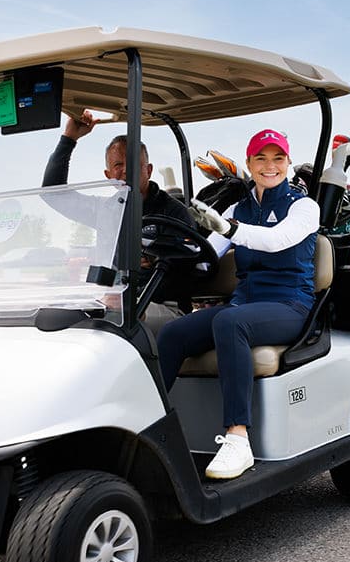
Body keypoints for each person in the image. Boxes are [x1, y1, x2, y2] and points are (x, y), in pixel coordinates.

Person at [157, 129, 318, 480]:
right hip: (246, 304)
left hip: (290, 305)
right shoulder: (239, 207)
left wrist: (229, 229)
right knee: (172, 333)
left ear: (288, 163)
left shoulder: (303, 207)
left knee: (230, 323)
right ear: (249, 163)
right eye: (261, 158)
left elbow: (277, 240)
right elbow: (208, 256)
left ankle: (237, 438)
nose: (269, 166)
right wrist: (170, 249)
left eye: (278, 158)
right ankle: (145, 423)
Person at [42, 109, 196, 330]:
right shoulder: (105, 210)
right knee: (55, 318)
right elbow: (52, 194)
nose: (126, 170)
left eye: (133, 162)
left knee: (113, 317)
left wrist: (146, 270)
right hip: (113, 300)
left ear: (148, 169)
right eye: (118, 165)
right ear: (108, 175)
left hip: (164, 306)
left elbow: (182, 271)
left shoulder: (174, 212)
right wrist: (69, 139)